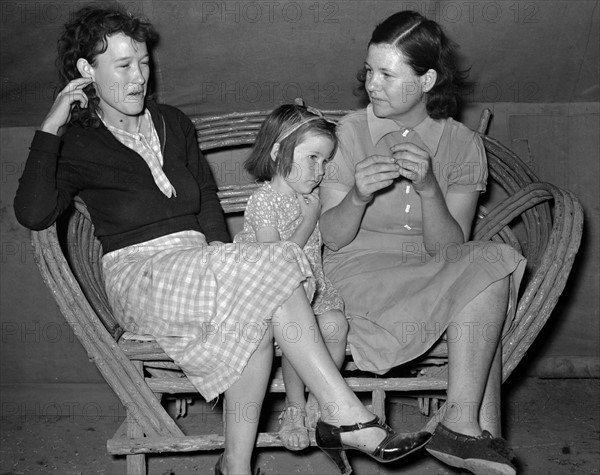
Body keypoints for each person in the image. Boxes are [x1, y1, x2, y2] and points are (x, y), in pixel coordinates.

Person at [13, 4, 431, 475]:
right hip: (142, 277)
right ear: (87, 71)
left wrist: (220, 258)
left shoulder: (173, 122)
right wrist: (50, 128)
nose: (139, 78)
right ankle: (346, 415)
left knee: (251, 319)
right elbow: (33, 213)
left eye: (145, 63)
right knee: (274, 263)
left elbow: (208, 202)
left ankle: (233, 467)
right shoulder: (76, 141)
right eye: (123, 66)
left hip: (201, 265)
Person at [319, 10, 527, 475]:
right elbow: (331, 239)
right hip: (357, 275)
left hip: (428, 271)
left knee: (495, 260)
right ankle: (471, 430)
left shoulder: (461, 145)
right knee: (483, 283)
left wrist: (431, 188)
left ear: (427, 79)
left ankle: (458, 424)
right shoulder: (347, 135)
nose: (372, 84)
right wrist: (356, 195)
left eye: (388, 75)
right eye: (370, 70)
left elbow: (451, 251)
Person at [234, 102, 348, 451]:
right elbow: (277, 263)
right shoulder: (263, 201)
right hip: (273, 295)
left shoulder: (309, 197)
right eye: (313, 158)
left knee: (335, 326)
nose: (320, 170)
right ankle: (295, 408)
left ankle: (321, 400)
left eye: (326, 161)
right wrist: (308, 221)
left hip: (312, 289)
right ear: (278, 152)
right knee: (301, 331)